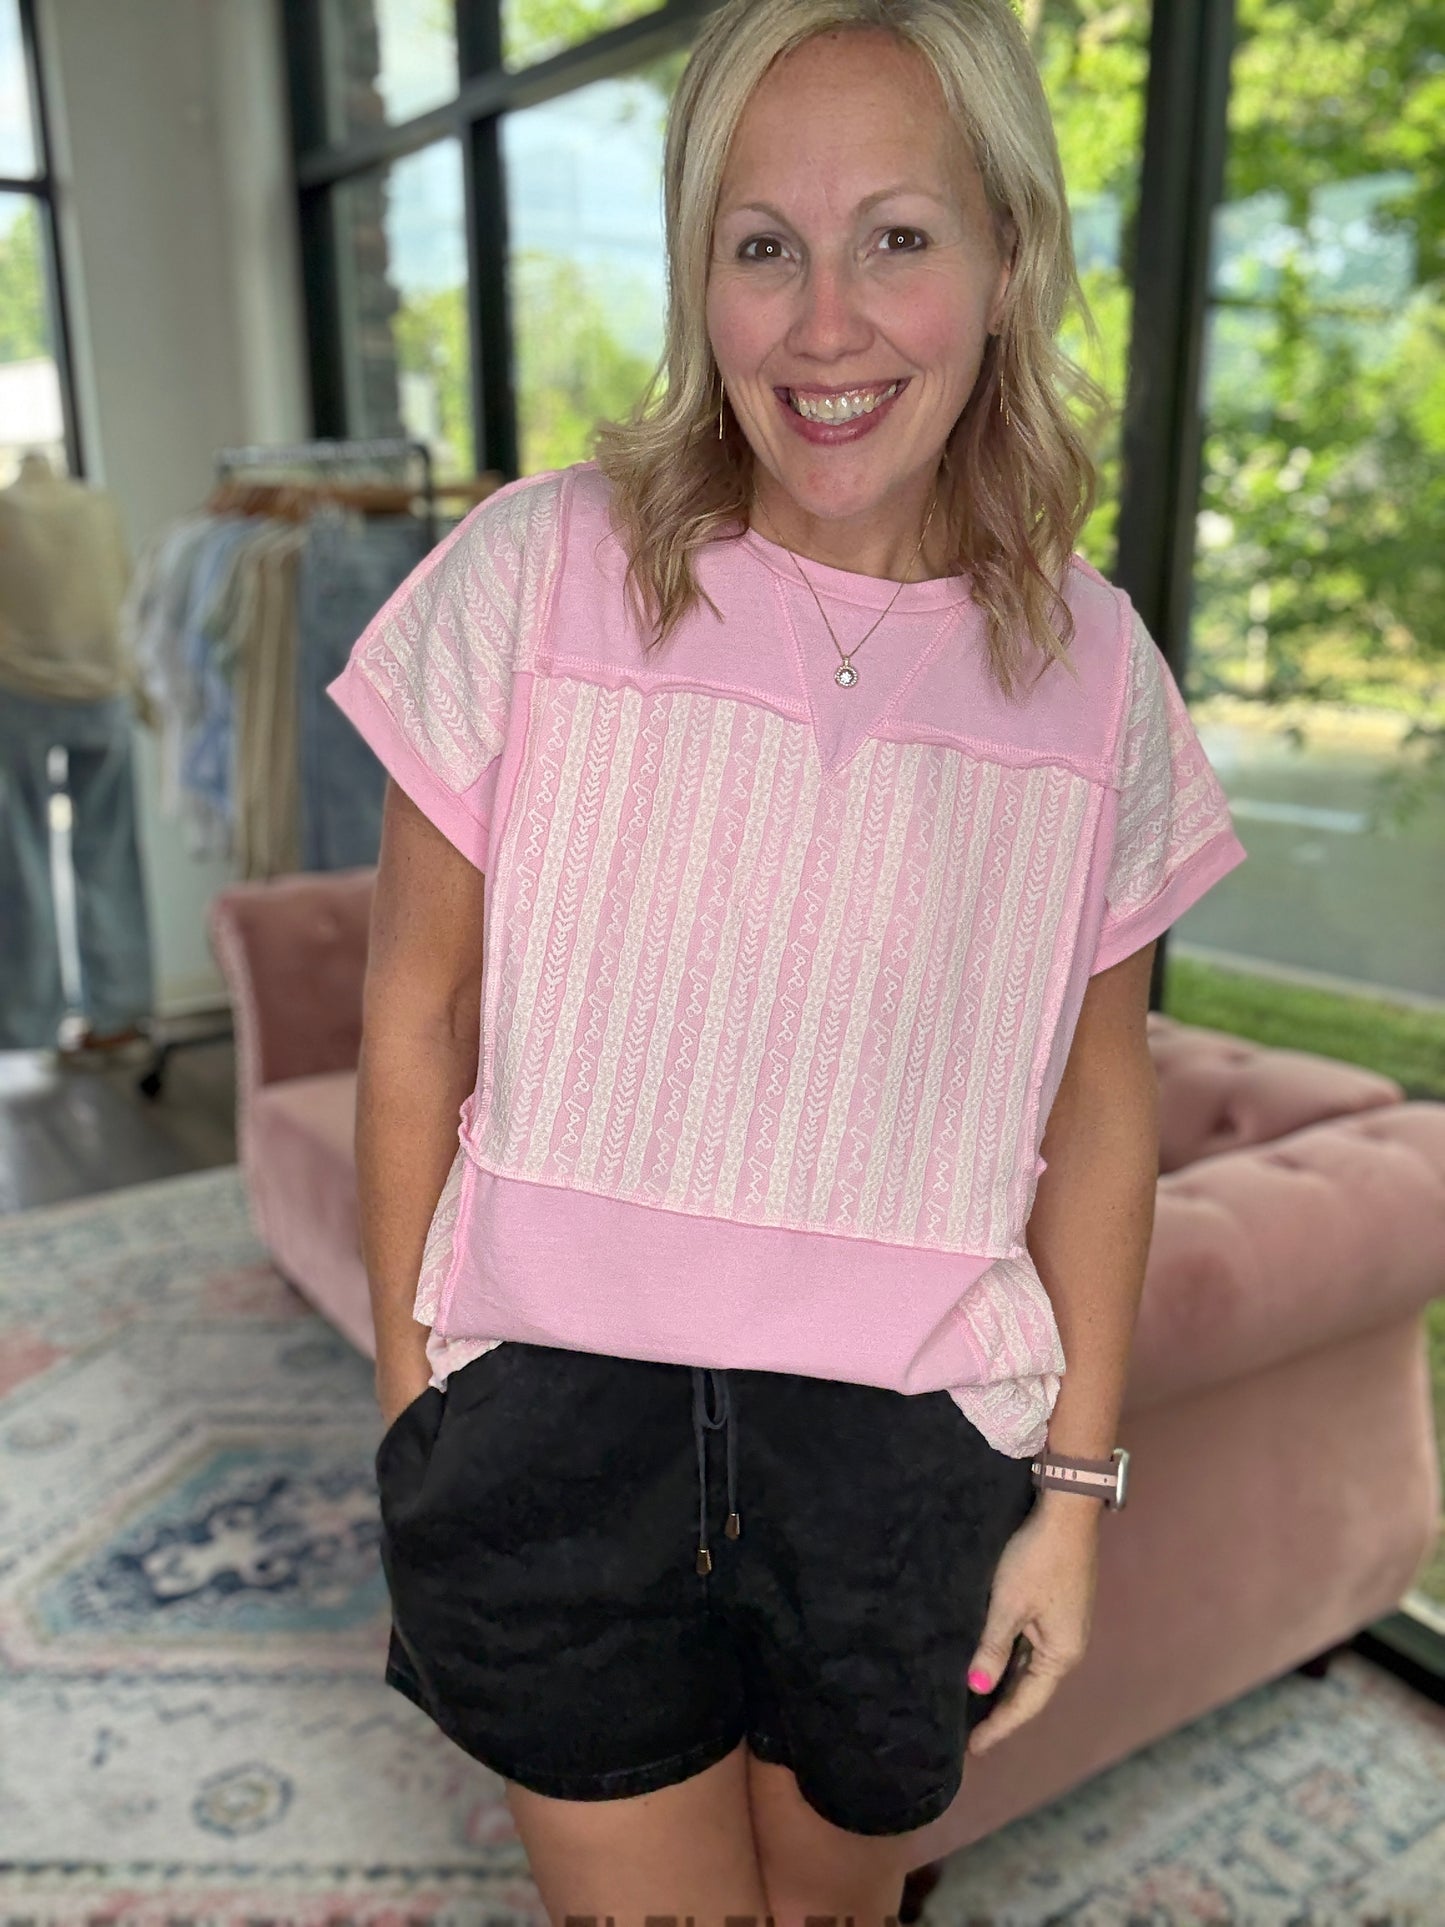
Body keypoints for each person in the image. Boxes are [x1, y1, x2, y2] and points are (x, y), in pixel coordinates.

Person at [326, 1, 1247, 1921]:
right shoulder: (534, 571)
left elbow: (1100, 1108)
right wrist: (417, 1395)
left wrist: (1075, 1494)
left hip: (905, 1465)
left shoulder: (1097, 675)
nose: (827, 324)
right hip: (550, 1433)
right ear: (701, 276)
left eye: (897, 237)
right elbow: (415, 1008)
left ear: (1007, 258)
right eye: (766, 246)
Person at [0, 451, 155, 1058]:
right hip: (102, 692)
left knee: (22, 860)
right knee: (110, 852)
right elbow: (126, 591)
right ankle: (118, 1012)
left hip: (18, 693)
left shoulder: (6, 511)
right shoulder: (98, 508)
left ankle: (26, 1026)